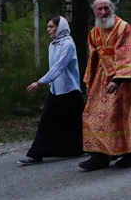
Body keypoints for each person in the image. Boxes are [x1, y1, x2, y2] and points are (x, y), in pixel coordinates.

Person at [79, 0, 131, 171]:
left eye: (106, 8)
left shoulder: (124, 28)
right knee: (91, 115)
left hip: (122, 80)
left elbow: (128, 53)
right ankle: (99, 155)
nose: (103, 12)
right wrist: (89, 80)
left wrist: (117, 80)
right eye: (99, 9)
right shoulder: (94, 31)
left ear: (112, 8)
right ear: (94, 11)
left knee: (121, 116)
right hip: (101, 79)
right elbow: (93, 57)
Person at [18, 16, 84, 166]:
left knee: (77, 123)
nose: (48, 30)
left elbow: (59, 67)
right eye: (48, 27)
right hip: (56, 91)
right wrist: (50, 85)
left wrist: (40, 82)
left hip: (70, 90)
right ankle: (36, 154)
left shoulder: (68, 44)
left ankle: (87, 148)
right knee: (46, 122)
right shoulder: (53, 45)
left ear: (60, 27)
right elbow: (53, 69)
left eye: (51, 27)